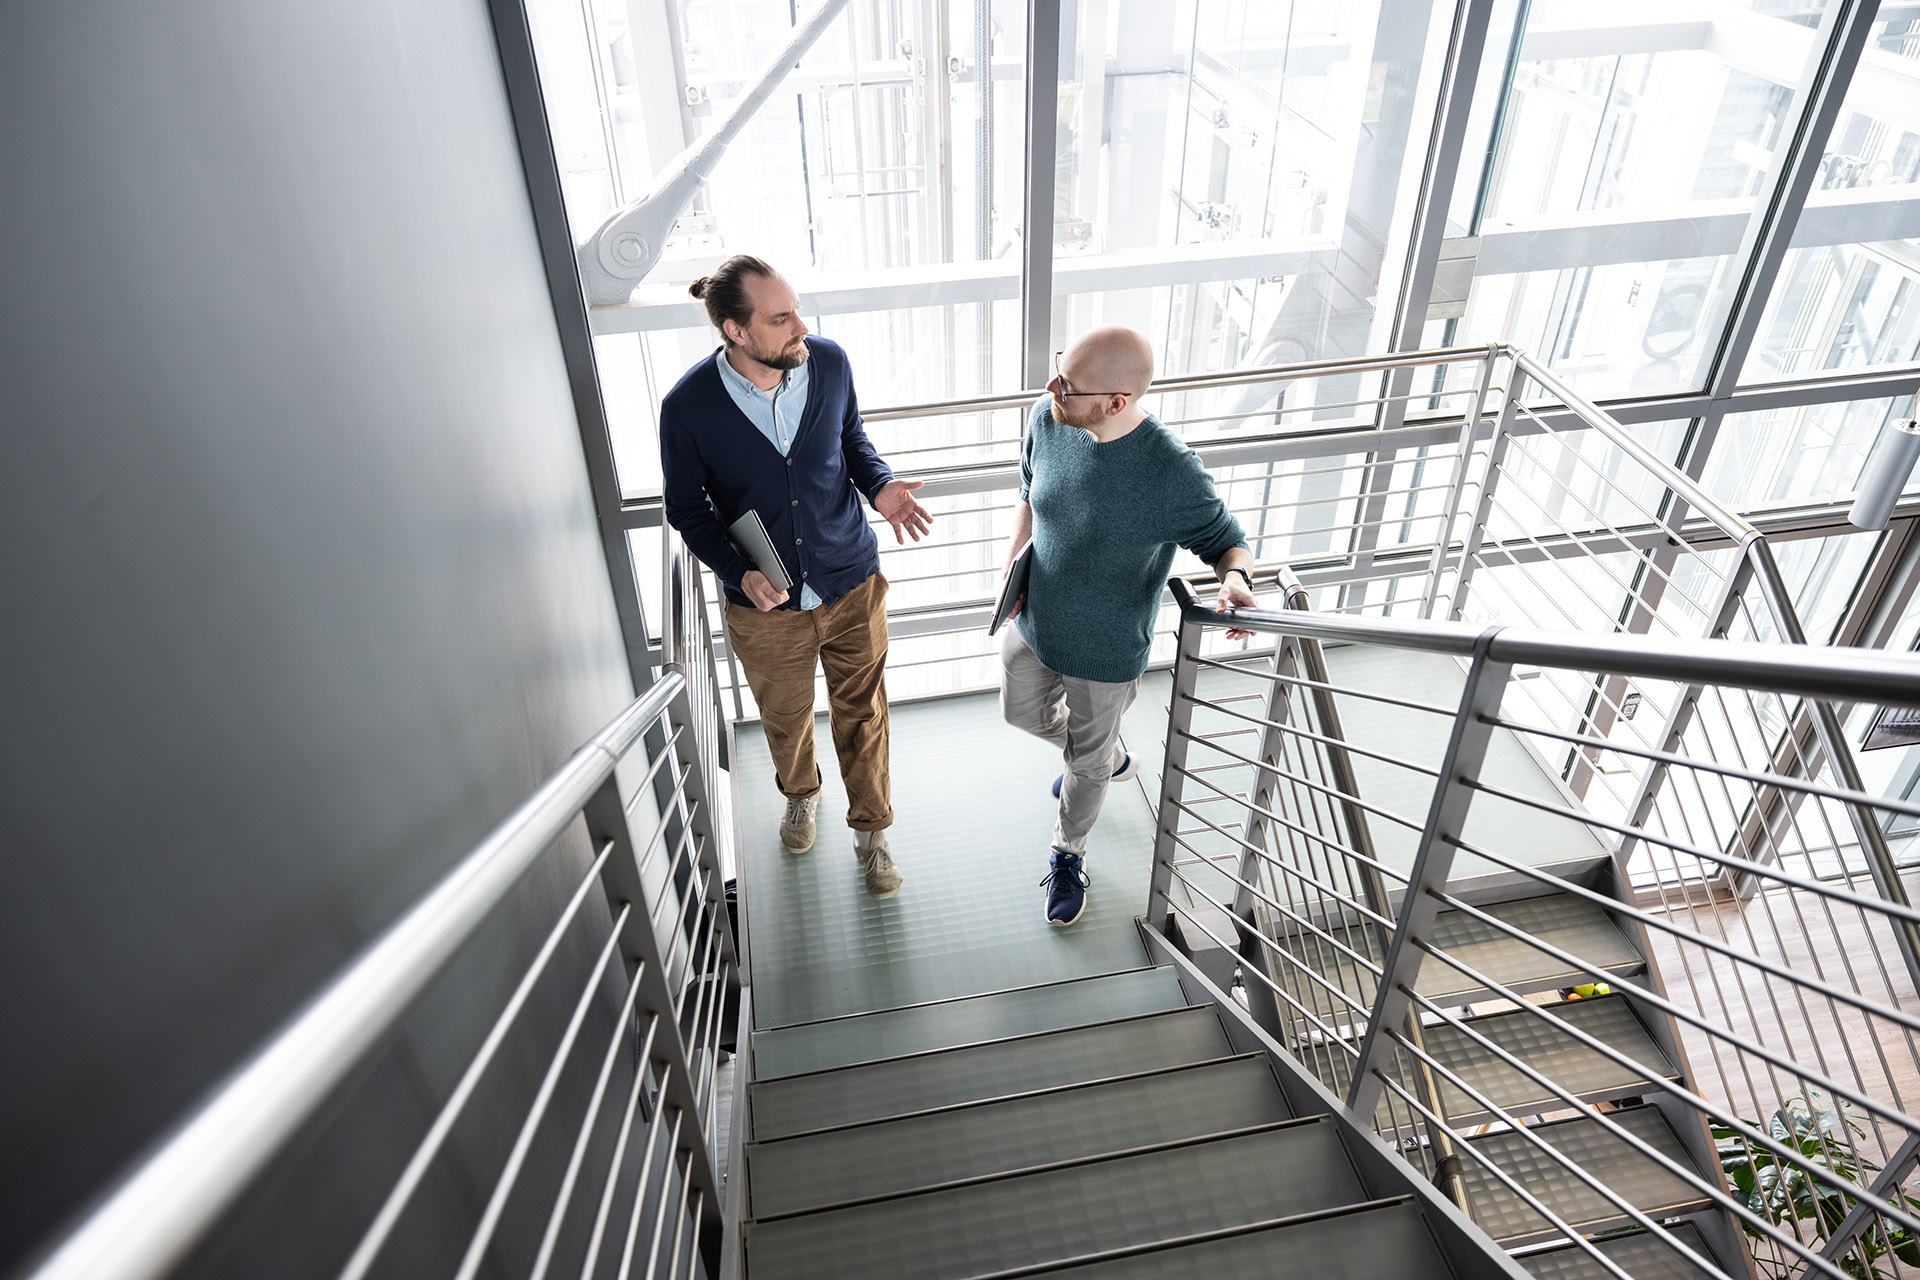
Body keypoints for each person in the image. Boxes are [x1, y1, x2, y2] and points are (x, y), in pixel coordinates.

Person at [660, 255, 932, 899]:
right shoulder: (687, 407)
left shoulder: (830, 363)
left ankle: (872, 834)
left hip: (852, 585)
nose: (799, 327)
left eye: (797, 310)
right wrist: (738, 572)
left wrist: (882, 487)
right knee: (784, 718)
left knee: (863, 715)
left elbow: (853, 441)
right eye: (780, 318)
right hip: (764, 610)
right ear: (736, 331)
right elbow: (686, 509)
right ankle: (800, 796)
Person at [1000, 326, 1259, 926]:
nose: (1051, 387)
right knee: (1023, 714)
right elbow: (1026, 492)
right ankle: (1104, 758)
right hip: (1036, 621)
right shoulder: (1050, 418)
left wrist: (1235, 579)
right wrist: (1010, 572)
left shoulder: (1170, 473)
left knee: (1082, 770)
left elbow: (1229, 543)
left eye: (1069, 385)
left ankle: (1069, 851)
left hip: (1107, 650)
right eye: (1060, 370)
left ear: (1116, 402)